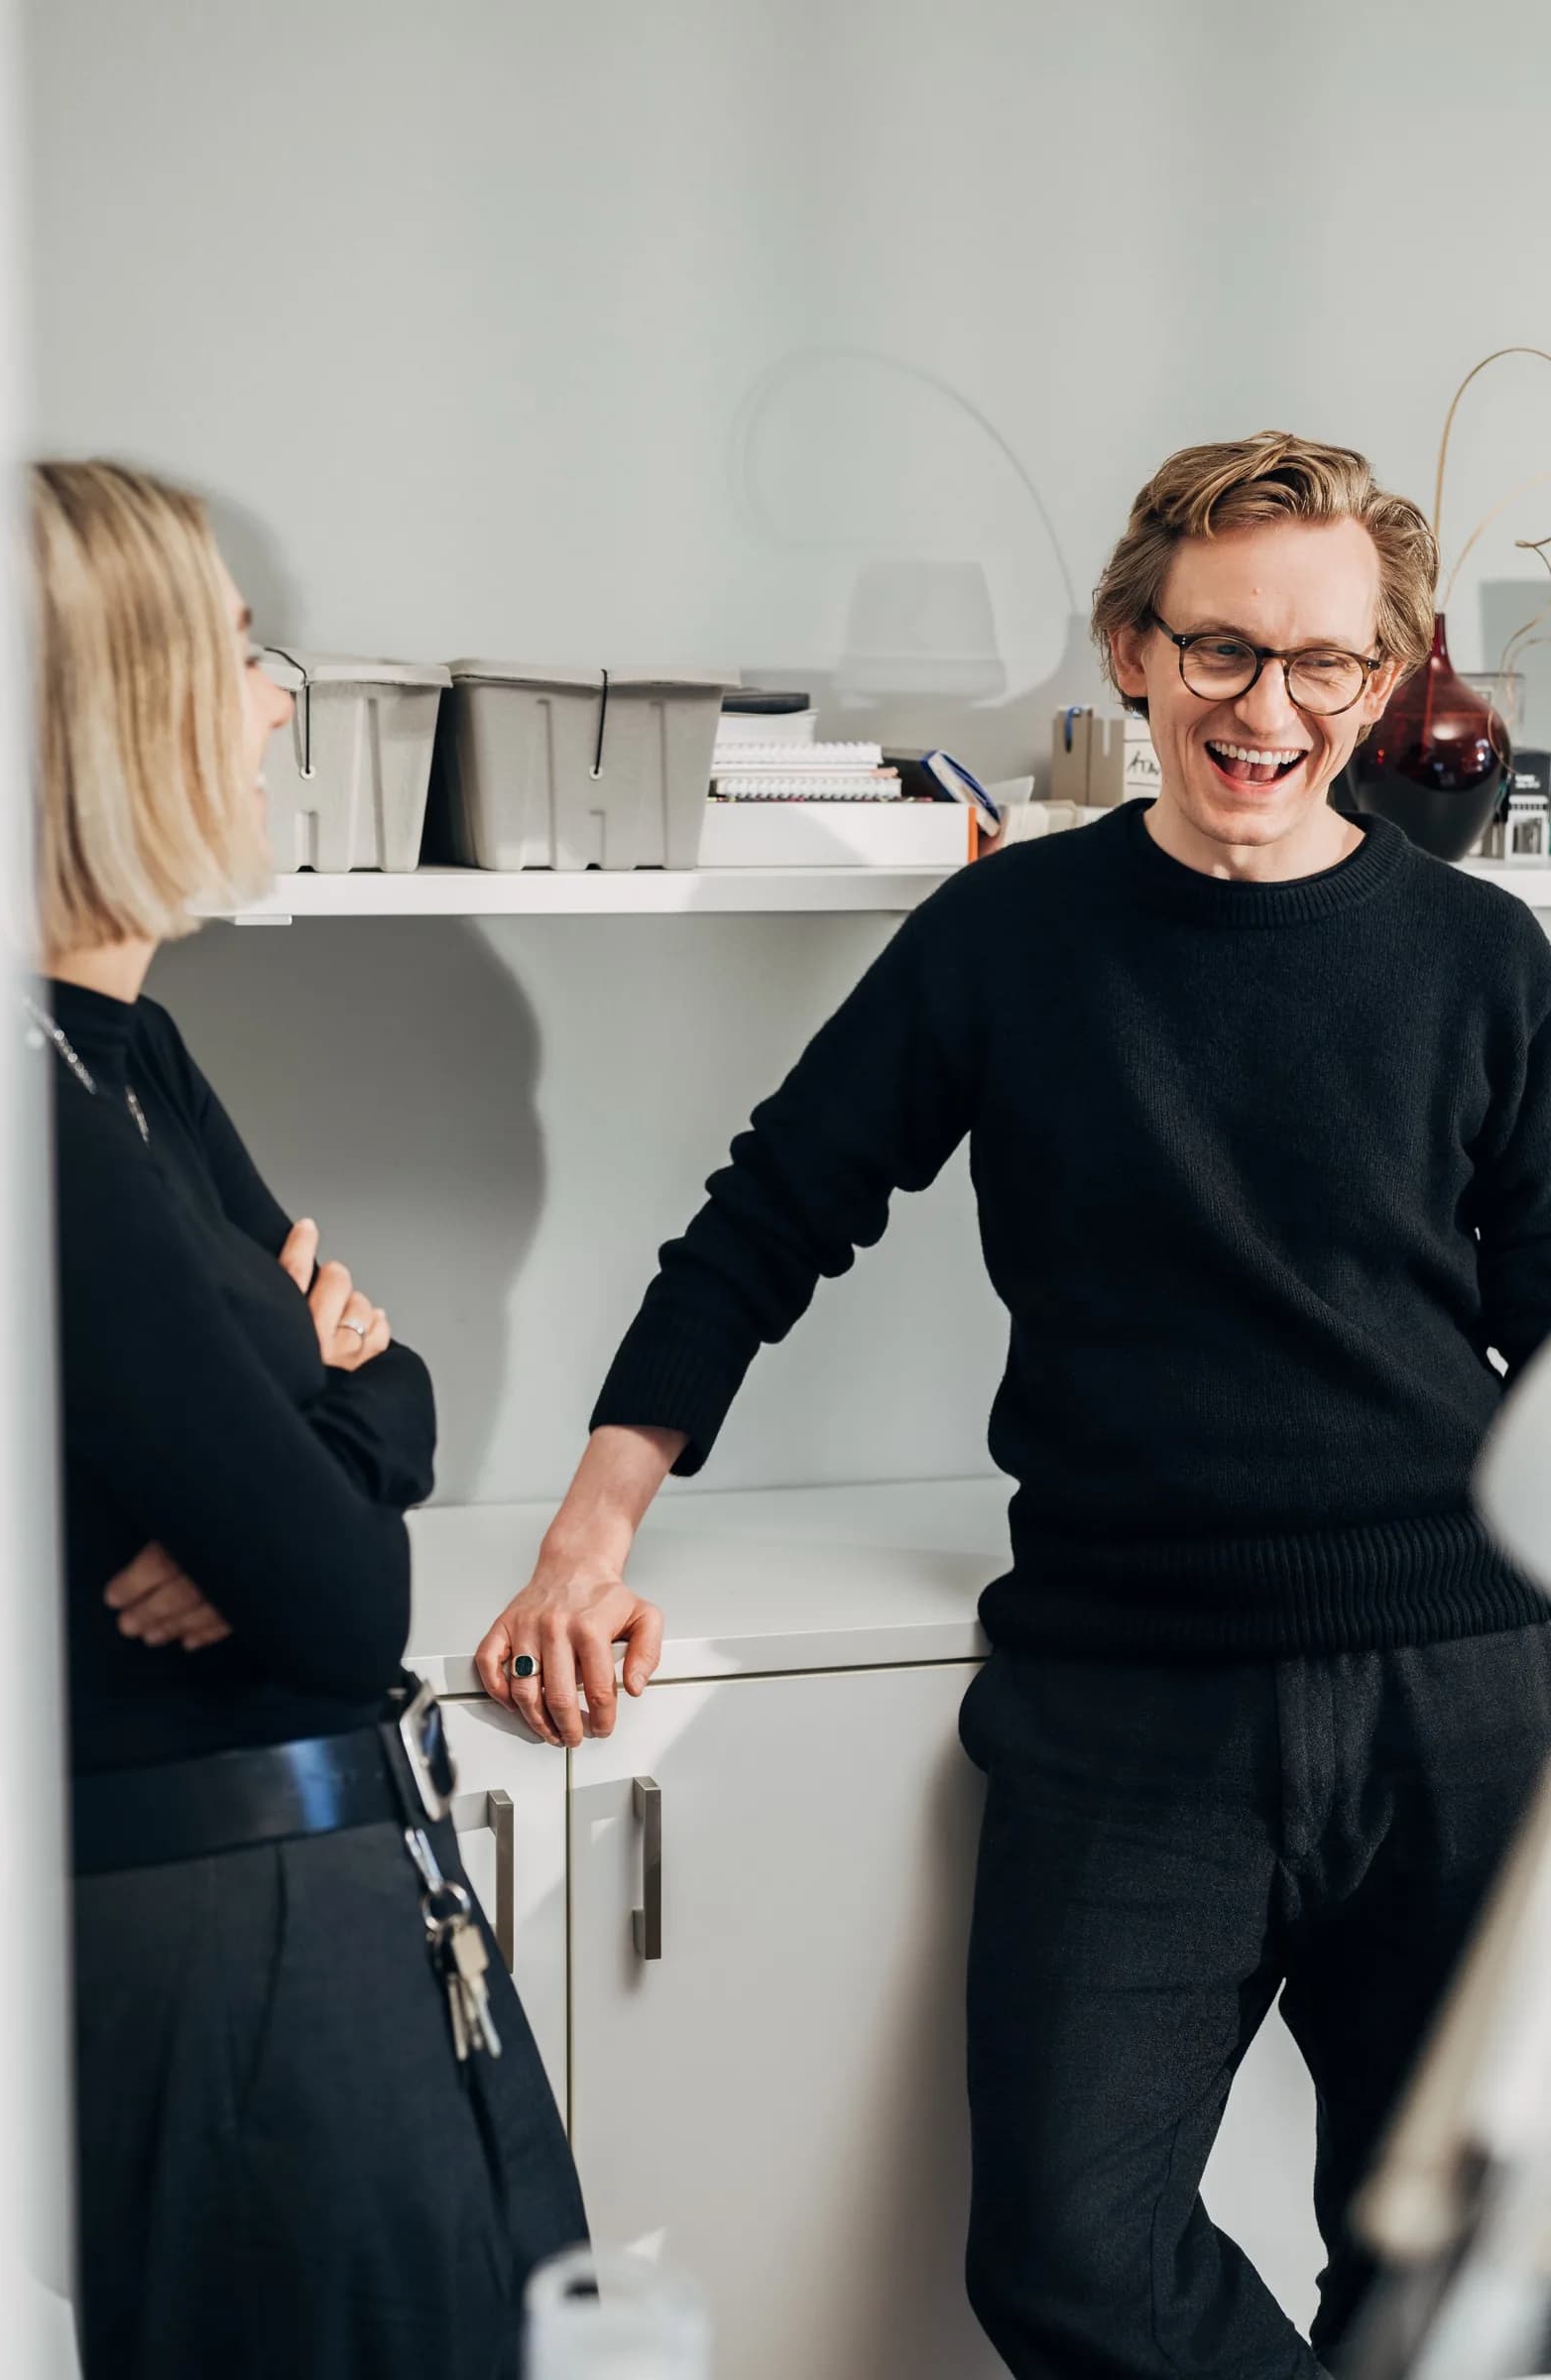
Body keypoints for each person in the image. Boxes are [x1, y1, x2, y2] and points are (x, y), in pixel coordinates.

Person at [476, 431, 1551, 2376]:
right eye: (1219, 651)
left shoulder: (1481, 958)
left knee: (1439, 2287)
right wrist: (583, 1537)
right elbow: (764, 1221)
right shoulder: (1006, 936)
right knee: (1063, 2261)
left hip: (1461, 1693)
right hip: (1128, 1697)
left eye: (1322, 666)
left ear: (1384, 684)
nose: (1266, 710)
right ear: (1130, 649)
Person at [35, 459, 585, 2380]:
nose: (278, 712)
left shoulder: (135, 1058)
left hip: (332, 1906)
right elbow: (349, 1607)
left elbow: (390, 1397)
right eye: (246, 659)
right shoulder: (22, 1115)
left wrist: (321, 1443)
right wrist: (318, 1432)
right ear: (114, 714)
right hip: (215, 1966)